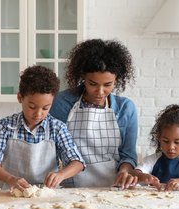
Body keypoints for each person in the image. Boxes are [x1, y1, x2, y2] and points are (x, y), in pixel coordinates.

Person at [49, 39, 138, 189]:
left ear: (117, 79)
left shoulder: (125, 108)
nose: (100, 92)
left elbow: (128, 155)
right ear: (83, 77)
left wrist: (124, 171)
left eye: (108, 85)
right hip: (70, 189)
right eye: (93, 84)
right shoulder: (62, 102)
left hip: (113, 188)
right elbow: (50, 148)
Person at [0, 65, 85, 191]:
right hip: (10, 194)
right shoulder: (6, 125)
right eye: (32, 106)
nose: (38, 113)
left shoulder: (57, 128)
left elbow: (78, 162)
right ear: (20, 98)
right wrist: (10, 179)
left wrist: (61, 175)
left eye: (45, 108)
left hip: (46, 195)